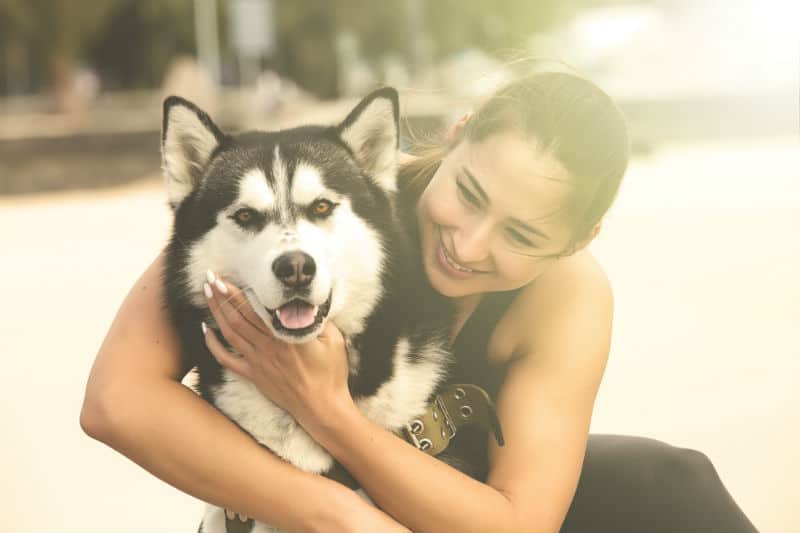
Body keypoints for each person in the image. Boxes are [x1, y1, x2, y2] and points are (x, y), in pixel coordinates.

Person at [81, 71, 758, 533]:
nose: (468, 243)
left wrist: (329, 411)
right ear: (455, 134)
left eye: (520, 234)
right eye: (468, 194)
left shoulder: (568, 293)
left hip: (457, 512)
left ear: (579, 238)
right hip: (298, 508)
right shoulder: (332, 196)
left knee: (672, 482)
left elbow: (519, 522)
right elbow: (116, 399)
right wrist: (340, 514)